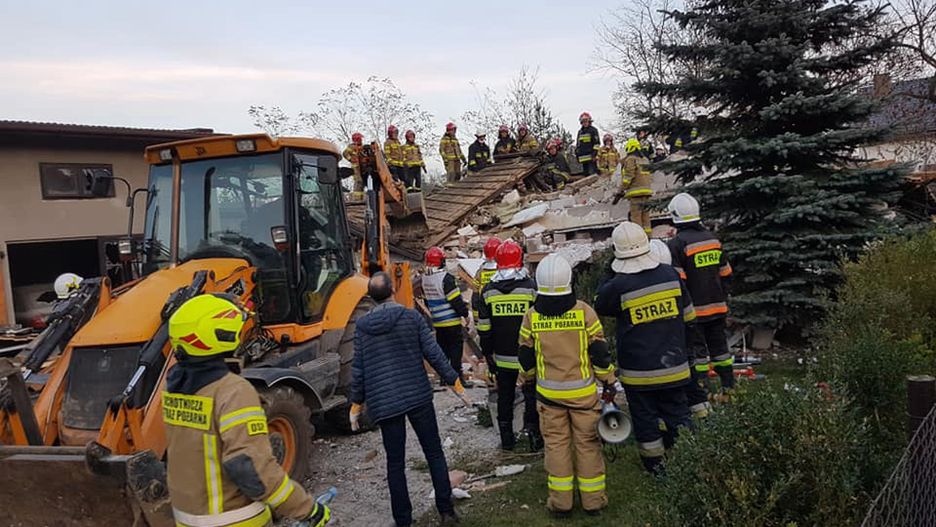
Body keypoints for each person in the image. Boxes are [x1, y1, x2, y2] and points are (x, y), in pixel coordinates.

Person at [162, 294, 331, 527]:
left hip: (188, 519)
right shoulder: (232, 392)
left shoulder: (173, 389)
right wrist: (308, 509)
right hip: (234, 520)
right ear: (223, 335)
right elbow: (251, 468)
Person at [350, 272, 464, 527]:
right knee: (434, 452)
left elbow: (358, 369)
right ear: (392, 290)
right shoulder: (411, 317)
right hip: (417, 396)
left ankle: (403, 521)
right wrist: (453, 379)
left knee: (395, 463)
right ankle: (446, 512)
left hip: (385, 402)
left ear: (371, 297)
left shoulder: (362, 327)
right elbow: (433, 352)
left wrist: (356, 403)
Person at [517, 254, 616, 517]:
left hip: (549, 398)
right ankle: (594, 501)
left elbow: (525, 358)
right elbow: (600, 352)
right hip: (583, 396)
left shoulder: (532, 316)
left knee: (557, 447)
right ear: (569, 282)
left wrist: (526, 379)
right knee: (588, 445)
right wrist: (608, 381)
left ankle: (561, 503)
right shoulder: (585, 311)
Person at [595, 222, 695, 474]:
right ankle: (688, 461)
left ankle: (655, 468)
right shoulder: (670, 275)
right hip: (674, 365)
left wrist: (611, 270)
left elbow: (601, 304)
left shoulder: (619, 286)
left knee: (645, 420)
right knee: (678, 415)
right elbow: (689, 316)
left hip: (639, 372)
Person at [666, 193, 734, 394]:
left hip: (694, 311)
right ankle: (729, 388)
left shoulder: (677, 245)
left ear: (675, 216)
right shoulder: (713, 240)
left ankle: (703, 391)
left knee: (698, 353)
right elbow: (726, 274)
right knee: (720, 349)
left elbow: (679, 283)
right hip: (718, 307)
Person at [476, 240, 539, 451]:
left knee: (505, 396)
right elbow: (538, 323)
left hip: (501, 358)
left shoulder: (488, 291)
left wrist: (488, 356)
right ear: (519, 260)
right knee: (531, 396)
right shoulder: (530, 288)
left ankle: (507, 439)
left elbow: (484, 329)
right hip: (527, 356)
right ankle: (534, 437)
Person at [649, 239, 711, 419]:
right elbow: (689, 316)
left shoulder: (646, 285)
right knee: (691, 383)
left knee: (671, 394)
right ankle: (705, 417)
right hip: (681, 344)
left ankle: (674, 423)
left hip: (662, 354)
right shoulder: (674, 279)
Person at [421, 246, 469, 382]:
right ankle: (457, 378)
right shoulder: (446, 278)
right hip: (451, 321)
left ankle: (444, 377)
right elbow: (455, 300)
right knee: (455, 350)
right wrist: (465, 314)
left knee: (443, 350)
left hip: (437, 321)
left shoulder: (425, 278)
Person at [620, 138, 654, 233]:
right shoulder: (645, 159)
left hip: (636, 194)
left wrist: (621, 189)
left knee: (636, 218)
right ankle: (648, 238)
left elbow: (628, 177)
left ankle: (639, 237)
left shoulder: (631, 159)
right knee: (646, 217)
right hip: (647, 192)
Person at [343, 132, 365, 199]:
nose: (361, 140)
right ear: (356, 139)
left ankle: (361, 198)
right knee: (358, 181)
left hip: (362, 167)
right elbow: (345, 153)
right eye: (360, 139)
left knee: (362, 182)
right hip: (356, 168)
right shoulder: (351, 147)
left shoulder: (362, 147)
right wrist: (350, 159)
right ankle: (357, 198)